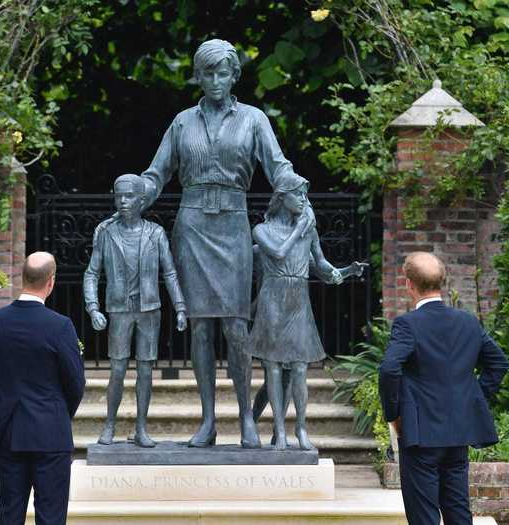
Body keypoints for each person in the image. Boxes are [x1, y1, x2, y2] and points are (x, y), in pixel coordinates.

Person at [139, 38, 315, 448]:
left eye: (223, 73)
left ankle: (246, 420)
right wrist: (136, 196)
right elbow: (157, 172)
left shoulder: (254, 119)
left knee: (237, 327)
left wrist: (297, 190)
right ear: (198, 76)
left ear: (234, 76)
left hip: (233, 226)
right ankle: (208, 421)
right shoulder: (182, 122)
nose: (216, 80)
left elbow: (278, 167)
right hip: (194, 225)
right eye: (208, 73)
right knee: (200, 327)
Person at [379, 252, 509, 525]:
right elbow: (498, 363)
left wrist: (394, 415)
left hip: (420, 433)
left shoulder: (408, 324)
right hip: (458, 431)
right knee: (458, 510)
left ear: (408, 284)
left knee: (424, 516)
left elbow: (390, 368)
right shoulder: (468, 321)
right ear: (443, 282)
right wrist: (471, 398)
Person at [0, 252, 85, 525]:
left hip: (10, 430)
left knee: (9, 516)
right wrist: (58, 412)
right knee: (51, 517)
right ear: (51, 282)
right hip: (50, 432)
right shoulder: (60, 326)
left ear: (22, 277)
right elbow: (75, 383)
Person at [83, 174, 187, 447]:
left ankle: (141, 428)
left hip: (149, 309)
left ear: (142, 200)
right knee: (117, 369)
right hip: (119, 310)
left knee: (145, 370)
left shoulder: (155, 233)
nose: (124, 201)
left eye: (129, 196)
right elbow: (92, 273)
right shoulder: (106, 233)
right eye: (119, 196)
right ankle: (110, 425)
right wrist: (93, 308)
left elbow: (170, 272)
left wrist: (180, 307)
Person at [246, 176, 344, 450]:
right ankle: (280, 432)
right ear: (282, 198)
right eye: (298, 195)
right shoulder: (262, 230)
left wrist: (342, 272)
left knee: (300, 367)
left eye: (305, 195)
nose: (303, 200)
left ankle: (300, 428)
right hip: (273, 298)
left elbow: (321, 264)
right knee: (273, 368)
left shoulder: (308, 231)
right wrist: (299, 228)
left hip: (298, 298)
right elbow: (278, 253)